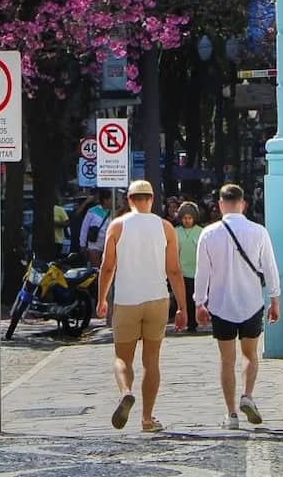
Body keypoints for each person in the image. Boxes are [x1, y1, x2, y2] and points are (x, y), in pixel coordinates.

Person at [96, 179, 187, 433]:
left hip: (126, 299)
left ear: (129, 200)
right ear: (152, 199)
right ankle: (147, 419)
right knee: (152, 361)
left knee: (122, 358)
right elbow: (174, 270)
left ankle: (126, 392)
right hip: (157, 298)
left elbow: (107, 266)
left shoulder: (117, 226)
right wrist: (182, 307)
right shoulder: (165, 227)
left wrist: (102, 298)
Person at [193, 183, 281, 429]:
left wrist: (199, 302)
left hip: (221, 305)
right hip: (251, 303)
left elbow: (202, 273)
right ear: (243, 204)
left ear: (220, 205)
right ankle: (248, 395)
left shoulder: (209, 234)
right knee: (250, 355)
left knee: (226, 360)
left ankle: (231, 414)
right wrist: (275, 298)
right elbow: (270, 267)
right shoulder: (258, 231)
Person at [175, 202, 203, 333]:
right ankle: (186, 322)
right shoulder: (176, 232)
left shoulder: (201, 232)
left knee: (195, 297)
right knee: (184, 299)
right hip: (181, 272)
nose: (187, 221)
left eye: (190, 218)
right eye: (184, 218)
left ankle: (195, 322)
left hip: (197, 271)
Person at [79, 190, 112, 266]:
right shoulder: (92, 211)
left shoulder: (113, 212)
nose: (114, 201)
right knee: (96, 269)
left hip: (107, 246)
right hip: (94, 245)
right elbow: (84, 229)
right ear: (105, 200)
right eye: (111, 199)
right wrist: (82, 245)